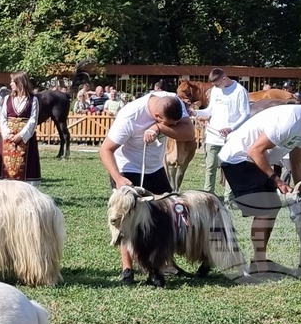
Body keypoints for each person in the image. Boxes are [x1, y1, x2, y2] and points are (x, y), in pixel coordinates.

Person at [218, 98, 301, 271]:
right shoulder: (289, 120)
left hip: (252, 160)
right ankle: (259, 262)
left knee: (272, 206)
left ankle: (259, 260)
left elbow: (296, 162)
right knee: (265, 208)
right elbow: (254, 151)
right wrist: (277, 180)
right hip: (238, 159)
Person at [99, 90, 194, 284]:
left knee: (166, 215)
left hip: (155, 168)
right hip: (127, 169)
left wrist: (159, 128)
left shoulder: (172, 101)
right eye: (169, 124)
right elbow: (105, 149)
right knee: (127, 219)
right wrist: (118, 179)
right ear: (157, 115)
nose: (173, 127)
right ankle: (127, 270)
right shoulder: (129, 116)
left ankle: (162, 264)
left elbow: (189, 133)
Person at [192, 68, 250, 199]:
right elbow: (209, 111)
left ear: (224, 78)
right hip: (213, 137)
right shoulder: (215, 90)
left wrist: (231, 128)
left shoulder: (240, 91)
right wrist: (196, 112)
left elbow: (245, 114)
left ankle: (229, 198)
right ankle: (208, 196)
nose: (215, 86)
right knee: (210, 167)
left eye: (217, 83)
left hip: (231, 138)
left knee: (230, 169)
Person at [0, 72, 42, 184]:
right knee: (7, 165)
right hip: (8, 137)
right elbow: (3, 117)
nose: (10, 84)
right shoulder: (7, 98)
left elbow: (33, 119)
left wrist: (21, 135)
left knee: (25, 163)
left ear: (20, 83)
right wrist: (8, 133)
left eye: (13, 82)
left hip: (25, 137)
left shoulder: (33, 100)